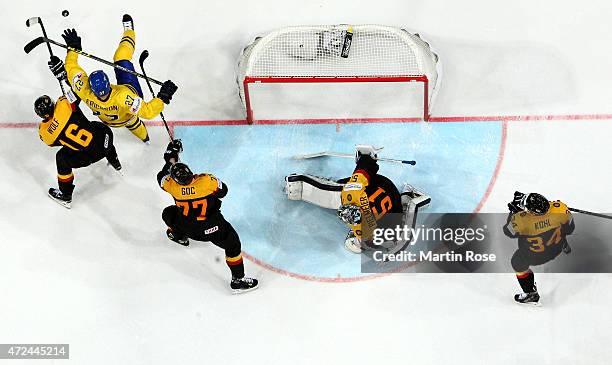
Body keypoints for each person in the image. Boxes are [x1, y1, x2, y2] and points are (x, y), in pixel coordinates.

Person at [284, 145, 430, 253]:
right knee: (335, 194)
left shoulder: (364, 226)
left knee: (340, 192)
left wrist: (366, 158)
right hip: (381, 185)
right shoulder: (354, 200)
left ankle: (302, 185)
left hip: (387, 190)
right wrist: (366, 159)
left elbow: (405, 231)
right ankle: (299, 184)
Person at [157, 140, 259, 294]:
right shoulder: (205, 181)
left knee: (168, 213)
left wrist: (170, 159)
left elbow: (161, 177)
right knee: (233, 245)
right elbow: (223, 191)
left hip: (188, 227)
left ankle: (180, 237)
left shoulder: (172, 186)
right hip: (212, 227)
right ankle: (238, 279)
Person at [58, 14, 178, 144]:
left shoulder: (84, 90)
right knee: (121, 57)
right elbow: (148, 112)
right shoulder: (124, 97)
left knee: (132, 123)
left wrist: (73, 50)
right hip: (127, 114)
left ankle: (145, 139)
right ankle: (129, 31)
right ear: (108, 84)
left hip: (109, 121)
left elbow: (70, 67)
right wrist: (162, 98)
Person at [37, 57, 121, 209]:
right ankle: (115, 161)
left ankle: (65, 194)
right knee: (94, 126)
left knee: (61, 156)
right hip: (105, 140)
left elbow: (53, 143)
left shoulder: (45, 131)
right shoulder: (64, 104)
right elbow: (78, 92)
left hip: (85, 158)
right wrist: (63, 74)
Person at [503, 191, 574, 305]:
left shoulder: (521, 220)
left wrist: (513, 212)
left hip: (536, 257)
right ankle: (564, 245)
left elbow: (508, 232)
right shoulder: (560, 208)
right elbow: (570, 229)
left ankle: (530, 294)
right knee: (559, 229)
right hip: (557, 247)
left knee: (517, 262)